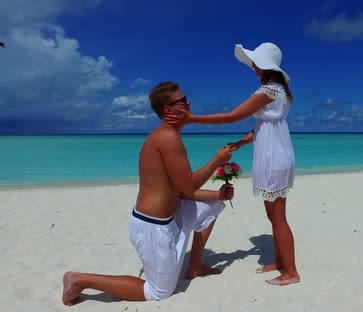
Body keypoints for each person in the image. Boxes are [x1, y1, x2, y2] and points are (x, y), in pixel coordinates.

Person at [62, 81, 234, 305]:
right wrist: (216, 161)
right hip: (152, 225)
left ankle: (195, 265)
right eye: (181, 100)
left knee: (213, 206)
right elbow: (188, 187)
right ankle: (79, 280)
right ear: (168, 110)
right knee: (158, 292)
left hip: (170, 218)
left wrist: (218, 196)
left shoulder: (169, 136)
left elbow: (182, 193)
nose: (188, 102)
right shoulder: (167, 137)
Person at [168, 42, 299, 286]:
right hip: (276, 155)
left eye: (255, 63)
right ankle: (281, 263)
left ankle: (291, 272)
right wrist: (241, 142)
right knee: (274, 215)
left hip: (273, 159)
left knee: (278, 217)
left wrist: (191, 118)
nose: (252, 67)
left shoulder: (270, 90)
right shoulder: (278, 91)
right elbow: (264, 126)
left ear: (265, 65)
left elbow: (232, 116)